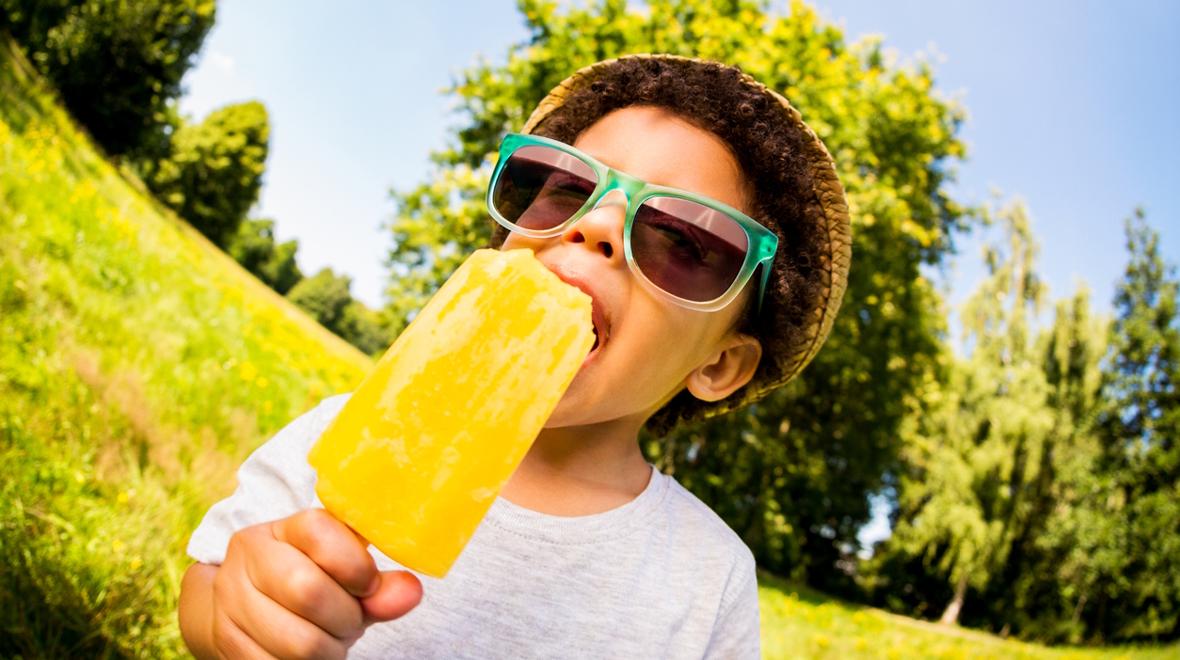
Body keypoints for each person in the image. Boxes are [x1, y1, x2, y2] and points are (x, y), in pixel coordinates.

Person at [178, 54, 851, 659]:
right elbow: (207, 591)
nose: (595, 225)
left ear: (717, 365)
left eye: (685, 240)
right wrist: (236, 616)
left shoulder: (708, 577)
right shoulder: (343, 429)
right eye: (563, 185)